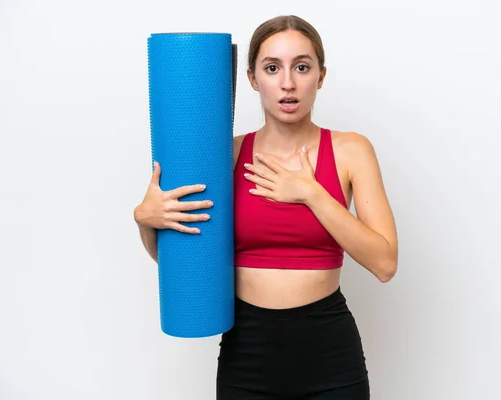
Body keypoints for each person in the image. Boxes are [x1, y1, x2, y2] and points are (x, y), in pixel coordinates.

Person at [134, 15, 398, 399]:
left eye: (302, 67)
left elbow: (385, 263)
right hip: (247, 353)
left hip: (329, 353)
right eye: (272, 68)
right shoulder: (226, 154)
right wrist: (146, 221)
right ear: (253, 78)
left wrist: (312, 193)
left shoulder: (351, 150)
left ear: (320, 77)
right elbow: (191, 268)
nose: (287, 83)